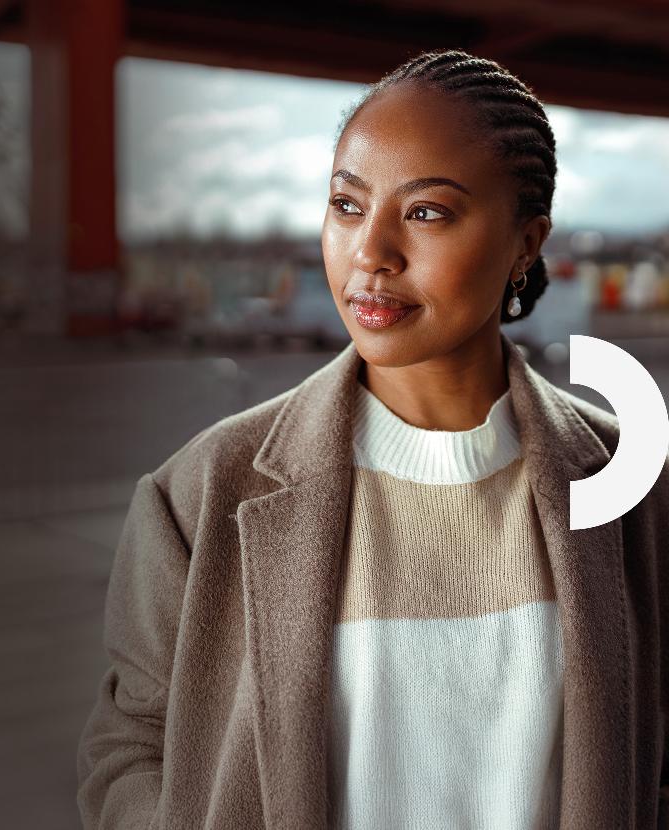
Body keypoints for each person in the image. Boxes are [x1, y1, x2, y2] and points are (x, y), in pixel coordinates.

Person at [76, 49, 669, 829]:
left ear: (527, 243)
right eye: (348, 206)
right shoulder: (200, 493)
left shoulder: (636, 486)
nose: (370, 253)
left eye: (426, 212)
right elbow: (130, 745)